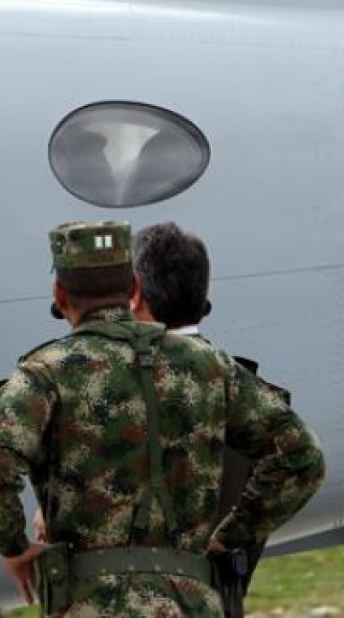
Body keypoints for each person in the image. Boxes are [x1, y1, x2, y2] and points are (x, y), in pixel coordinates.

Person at [0, 221, 324, 617]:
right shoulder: (209, 365)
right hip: (192, 603)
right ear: (134, 288)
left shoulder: (45, 373)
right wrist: (233, 535)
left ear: (60, 295)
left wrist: (14, 547)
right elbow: (301, 457)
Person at [130, 221, 285, 617]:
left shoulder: (108, 383)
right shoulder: (245, 391)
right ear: (203, 302)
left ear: (135, 293)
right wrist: (232, 535)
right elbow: (300, 463)